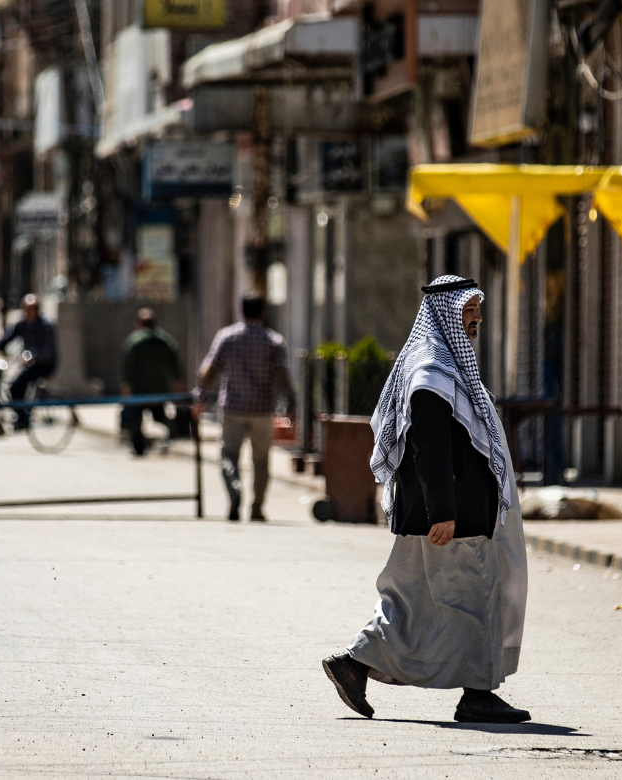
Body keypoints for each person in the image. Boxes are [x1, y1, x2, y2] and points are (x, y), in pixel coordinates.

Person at [321, 275, 530, 724]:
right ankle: (478, 694)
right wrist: (445, 514)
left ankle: (354, 664)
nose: (474, 318)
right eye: (466, 311)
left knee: (411, 600)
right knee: (475, 599)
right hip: (452, 517)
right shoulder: (431, 372)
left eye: (477, 309)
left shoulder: (442, 364)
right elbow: (430, 450)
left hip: (441, 513)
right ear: (444, 314)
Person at [193, 293, 293, 522]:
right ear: (263, 312)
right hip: (263, 410)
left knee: (228, 456)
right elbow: (282, 374)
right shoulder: (273, 340)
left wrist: (201, 398)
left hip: (233, 409)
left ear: (241, 311)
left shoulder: (227, 337)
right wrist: (291, 401)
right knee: (261, 460)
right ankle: (257, 507)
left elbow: (209, 370)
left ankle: (235, 491)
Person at [119, 308, 185, 456]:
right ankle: (173, 430)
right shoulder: (165, 340)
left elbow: (128, 365)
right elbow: (175, 363)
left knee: (136, 420)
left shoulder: (135, 340)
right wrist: (178, 381)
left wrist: (126, 385)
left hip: (139, 389)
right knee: (159, 415)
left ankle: (139, 447)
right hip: (158, 389)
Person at [0, 294, 59, 428]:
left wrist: (34, 357)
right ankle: (21, 415)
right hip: (30, 363)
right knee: (16, 383)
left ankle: (23, 419)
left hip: (45, 364)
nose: (28, 313)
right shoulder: (22, 324)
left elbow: (49, 350)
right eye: (26, 309)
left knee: (16, 386)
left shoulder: (46, 325)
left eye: (31, 309)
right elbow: (8, 337)